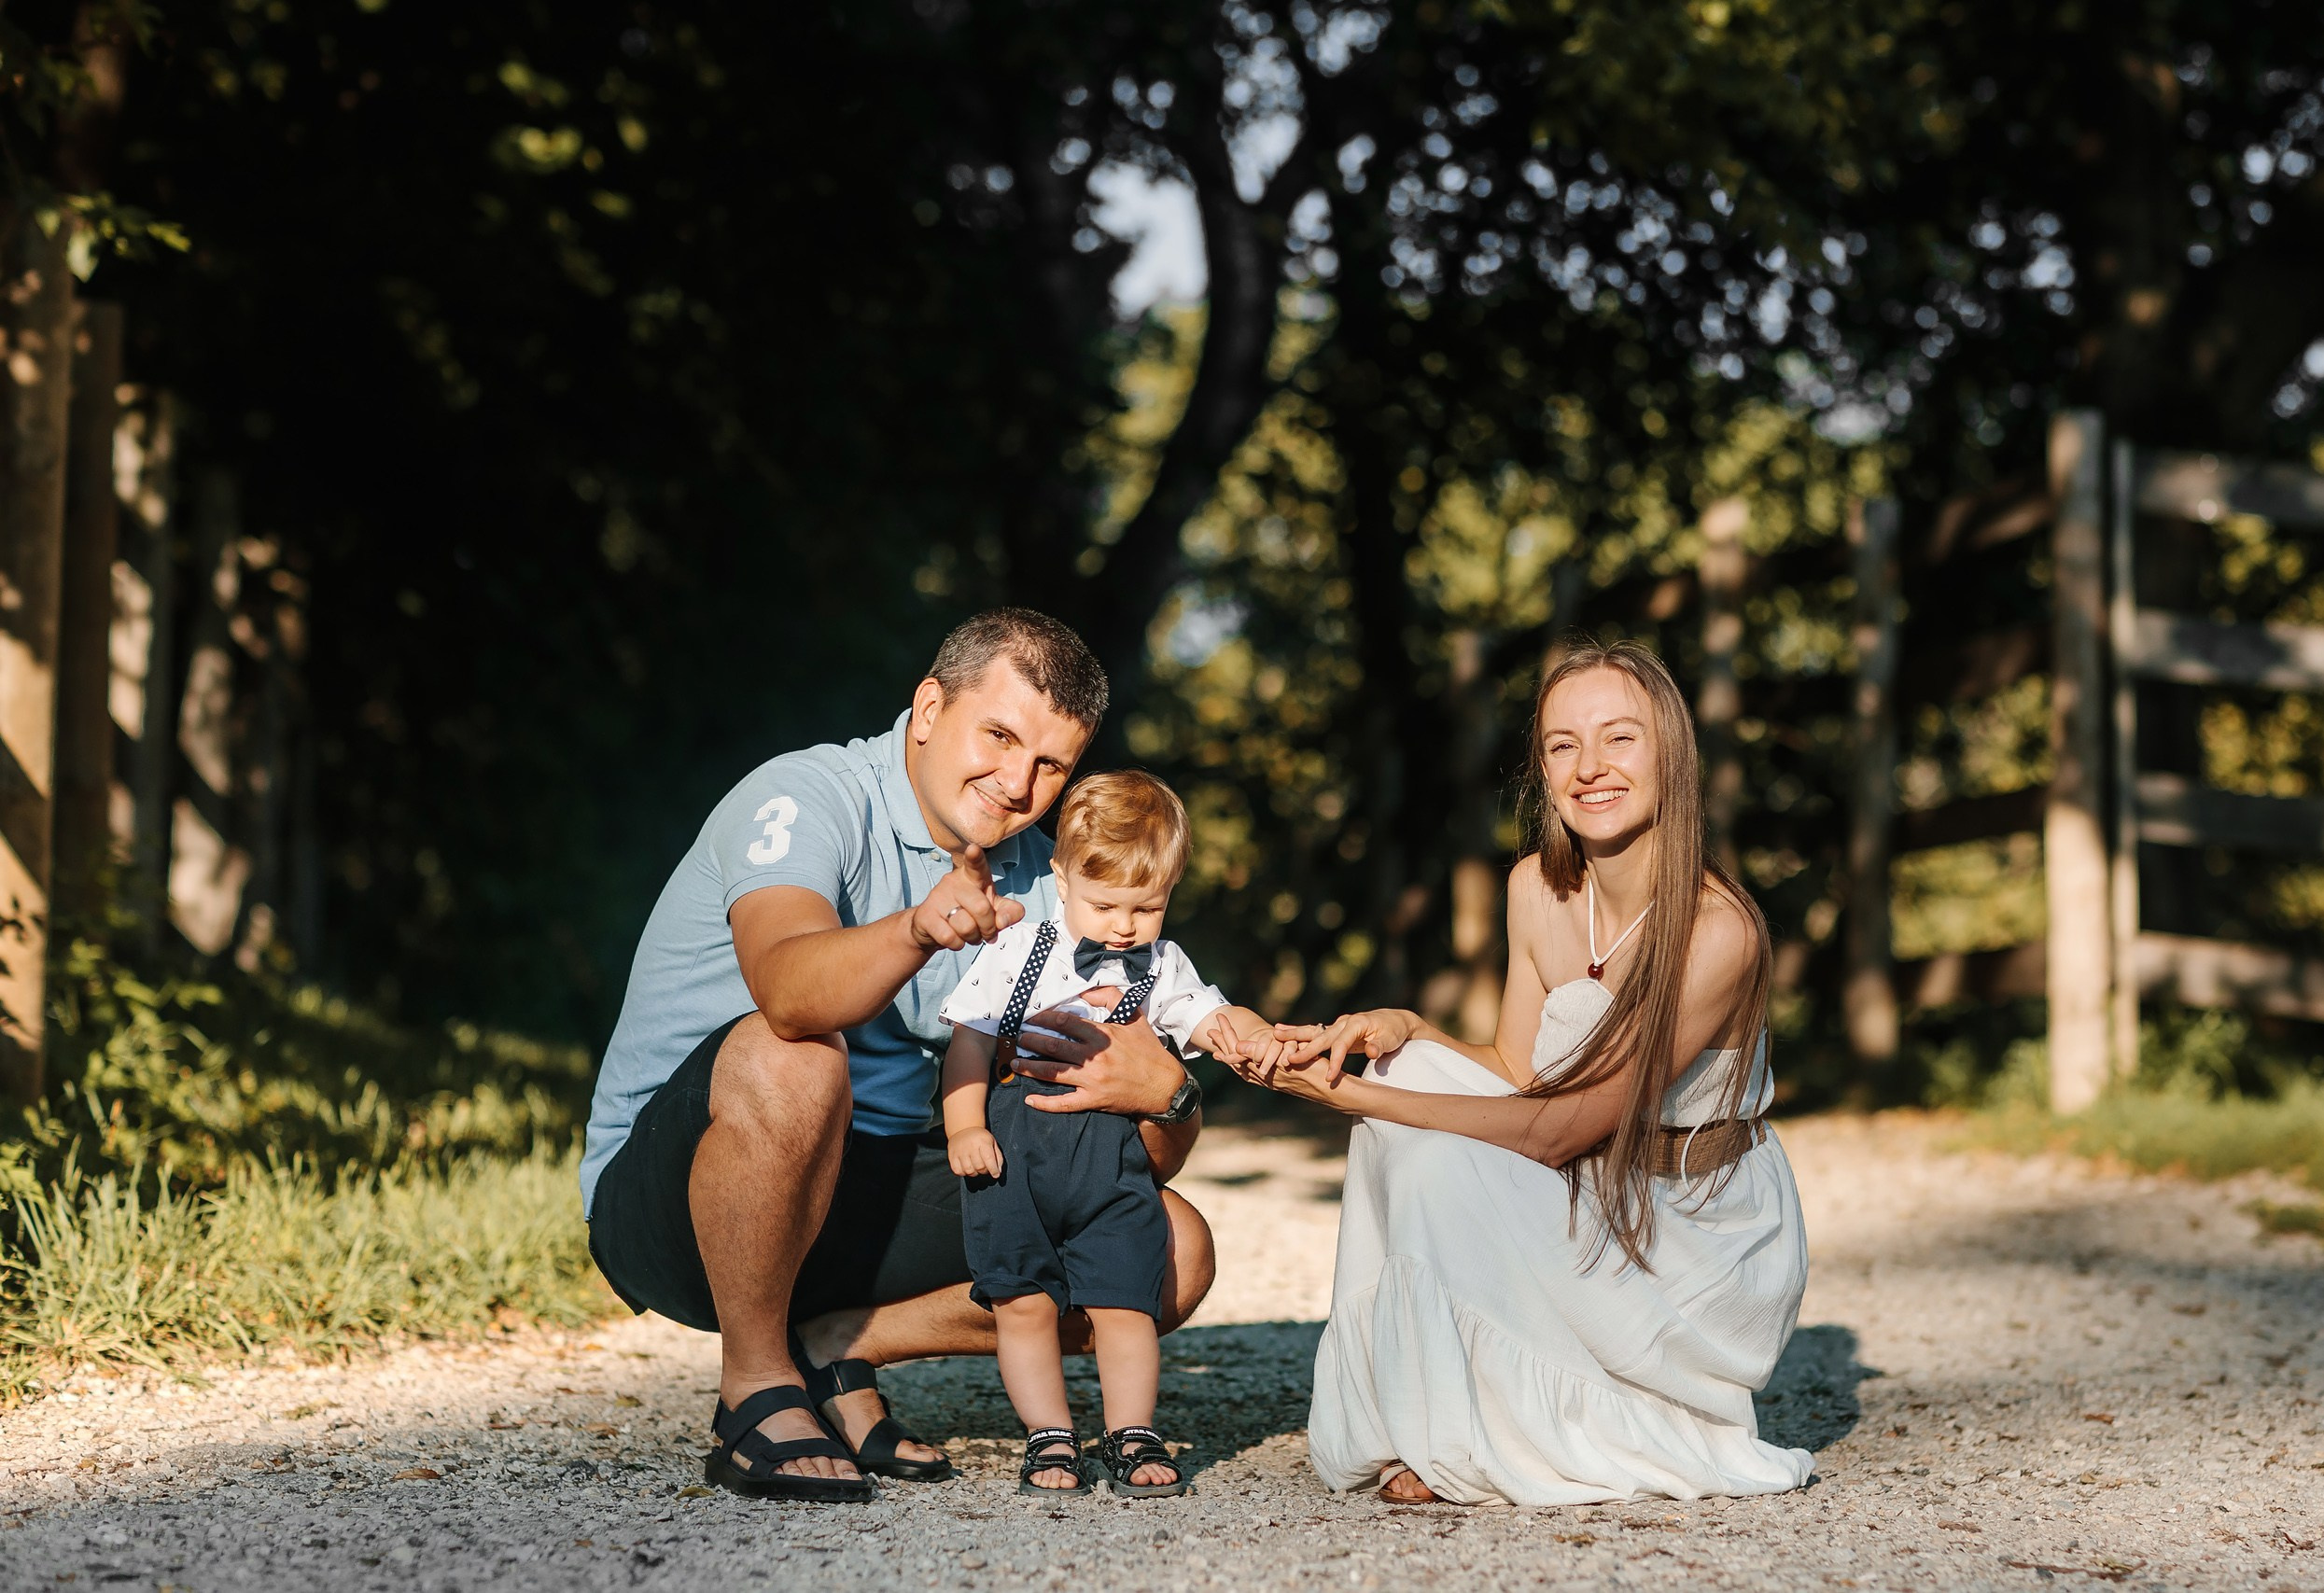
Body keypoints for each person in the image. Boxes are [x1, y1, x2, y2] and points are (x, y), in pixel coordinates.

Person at [579, 609, 1215, 1502]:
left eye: (1050, 764)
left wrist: (1172, 1095)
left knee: (1172, 1248)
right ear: (927, 707)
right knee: (797, 1055)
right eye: (998, 735)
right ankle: (757, 1384)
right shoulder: (805, 796)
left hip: (870, 1190)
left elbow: (1120, 1147)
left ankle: (844, 1341)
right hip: (685, 1194)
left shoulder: (1051, 880)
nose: (1016, 781)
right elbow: (790, 993)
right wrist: (917, 927)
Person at [1234, 638, 1812, 1507]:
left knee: (1423, 1145)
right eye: (1562, 744)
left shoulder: (1713, 928)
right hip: (1594, 1175)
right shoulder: (1535, 889)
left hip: (1694, 1225)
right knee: (1414, 1071)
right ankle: (1426, 1411)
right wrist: (1407, 1031)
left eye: (1620, 738)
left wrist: (1345, 1093)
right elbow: (1516, 1069)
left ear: (1671, 754)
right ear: (1541, 766)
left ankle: (1520, 1422)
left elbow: (1559, 1127)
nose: (1590, 767)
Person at [938, 772, 1285, 1498]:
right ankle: (1049, 1435)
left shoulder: (1163, 967)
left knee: (1126, 1300)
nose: (1125, 926)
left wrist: (1250, 1035)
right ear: (1060, 880)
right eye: (1106, 905)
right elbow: (969, 1042)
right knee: (1023, 1304)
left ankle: (1132, 1430)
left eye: (1147, 906)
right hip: (1015, 1158)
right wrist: (965, 1122)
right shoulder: (1016, 948)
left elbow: (1212, 1016)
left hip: (1112, 1164)